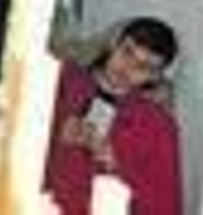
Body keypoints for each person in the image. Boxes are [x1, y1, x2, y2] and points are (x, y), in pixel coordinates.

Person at [45, 16, 183, 215]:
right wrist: (55, 131)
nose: (127, 68)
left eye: (143, 67)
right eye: (127, 52)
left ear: (155, 76)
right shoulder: (61, 80)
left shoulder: (158, 127)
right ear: (114, 44)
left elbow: (166, 207)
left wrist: (115, 165)